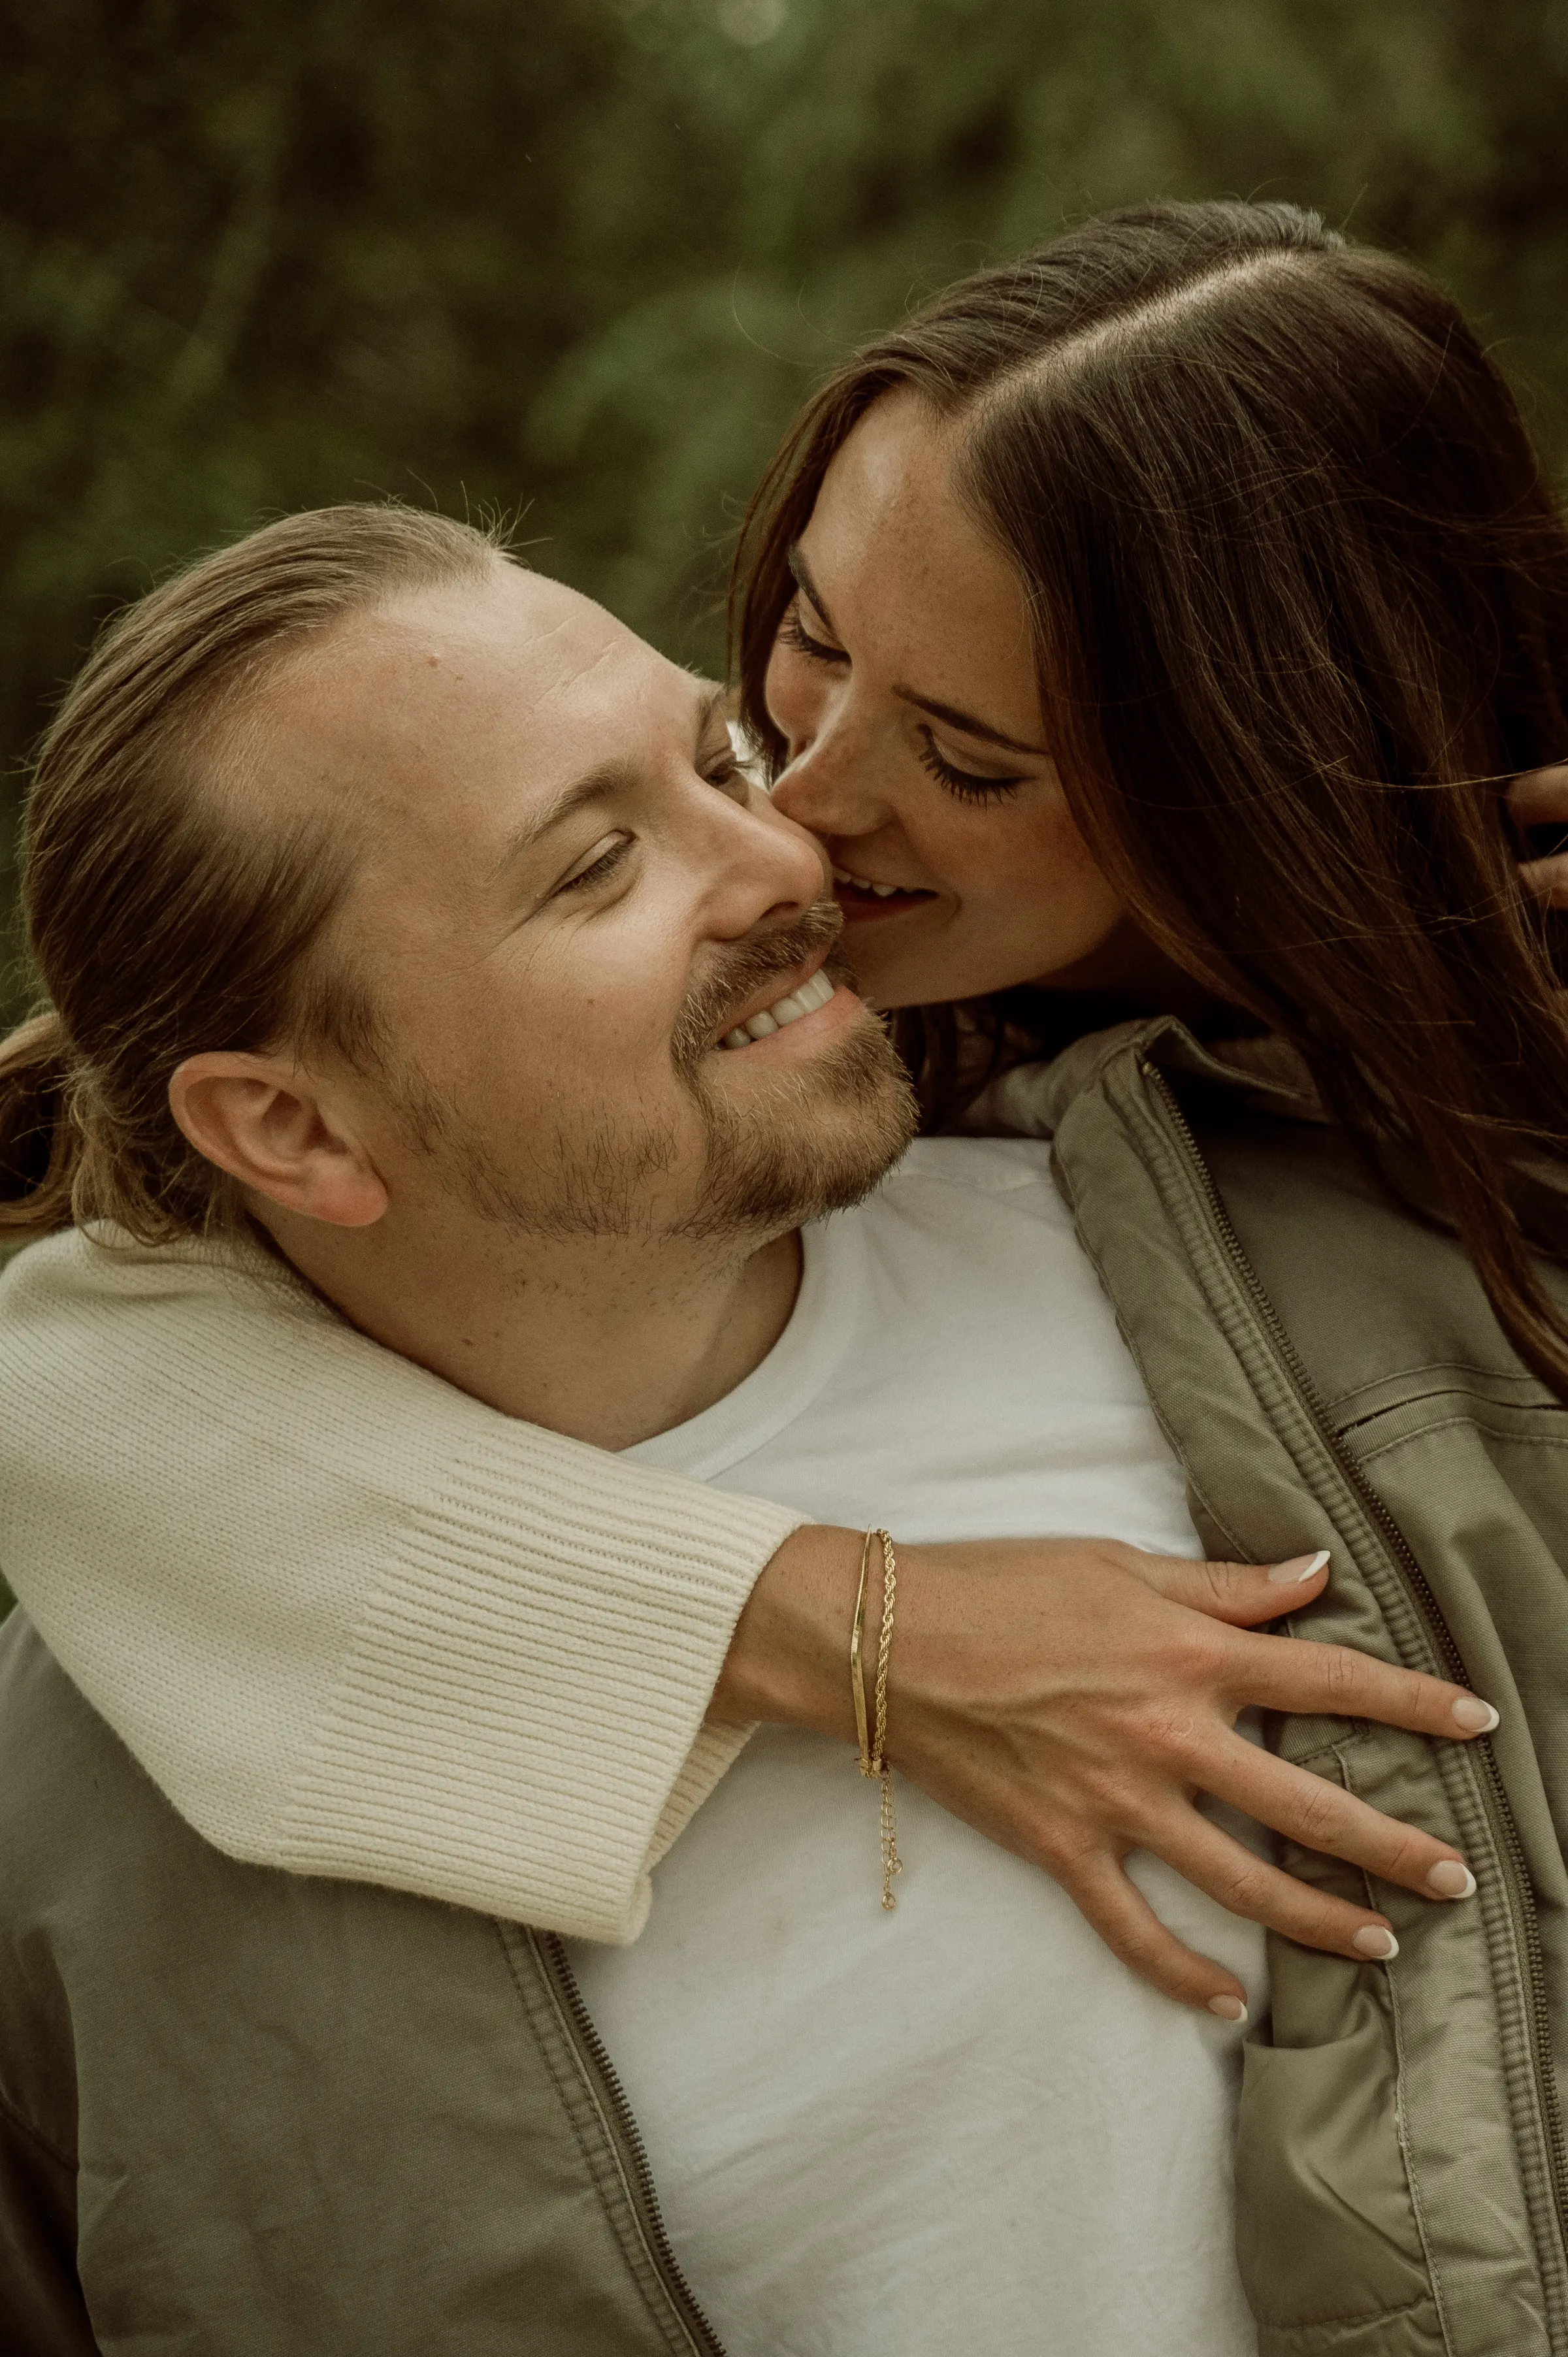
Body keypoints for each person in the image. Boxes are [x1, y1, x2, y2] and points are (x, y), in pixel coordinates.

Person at [4, 192, 1568, 2339]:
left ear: (1249, 804)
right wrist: (849, 1623)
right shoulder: (135, 1612)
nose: (798, 820)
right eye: (799, 658)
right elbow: (60, 1385)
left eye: (972, 761)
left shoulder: (1363, 1244)